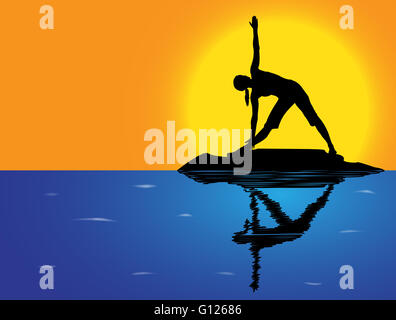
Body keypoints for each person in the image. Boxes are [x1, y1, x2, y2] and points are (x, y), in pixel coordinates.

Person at [233, 16, 337, 155]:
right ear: (243, 85)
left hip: (294, 89)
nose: (244, 77)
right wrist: (250, 140)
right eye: (242, 79)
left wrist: (255, 31)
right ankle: (247, 148)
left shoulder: (255, 72)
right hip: (285, 98)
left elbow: (256, 49)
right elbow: (254, 119)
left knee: (314, 118)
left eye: (241, 76)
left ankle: (331, 147)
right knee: (268, 127)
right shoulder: (254, 94)